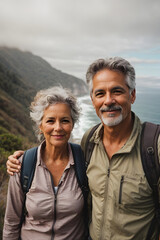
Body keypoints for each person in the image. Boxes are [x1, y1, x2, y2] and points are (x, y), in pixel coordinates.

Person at [6, 57, 160, 240]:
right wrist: (20, 160)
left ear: (132, 95)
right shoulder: (89, 143)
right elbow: (11, 223)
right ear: (93, 99)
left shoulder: (153, 147)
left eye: (117, 91)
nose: (108, 100)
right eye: (100, 93)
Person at [3, 86, 88, 240]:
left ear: (72, 125)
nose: (58, 128)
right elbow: (11, 222)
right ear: (40, 126)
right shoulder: (23, 166)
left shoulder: (84, 162)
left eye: (65, 121)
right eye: (50, 121)